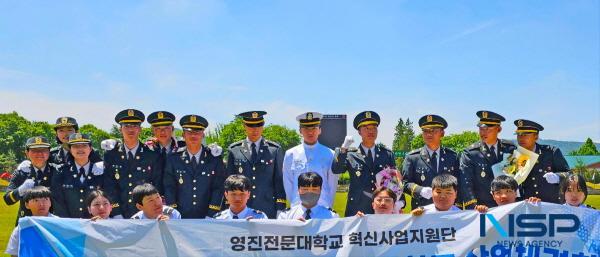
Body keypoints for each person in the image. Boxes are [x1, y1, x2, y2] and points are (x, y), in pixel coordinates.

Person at [332, 111, 395, 216]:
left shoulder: (387, 154)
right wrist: (343, 150)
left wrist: (399, 203)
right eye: (366, 128)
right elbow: (336, 169)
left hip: (381, 208)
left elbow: (394, 181)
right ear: (359, 132)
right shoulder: (350, 154)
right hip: (357, 208)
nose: (371, 131)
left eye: (374, 127)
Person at [103, 109, 163, 218]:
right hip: (119, 214)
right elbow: (109, 186)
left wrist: (151, 211)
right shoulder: (111, 155)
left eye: (135, 126)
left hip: (146, 215)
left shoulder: (152, 155)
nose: (131, 129)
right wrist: (116, 212)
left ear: (140, 129)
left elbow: (157, 185)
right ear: (120, 129)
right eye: (126, 126)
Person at [163, 114, 225, 218]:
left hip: (208, 216)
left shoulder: (214, 158)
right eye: (189, 132)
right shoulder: (174, 159)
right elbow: (170, 187)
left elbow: (218, 187)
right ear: (183, 135)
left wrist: (211, 213)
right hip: (180, 216)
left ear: (203, 135)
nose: (193, 136)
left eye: (197, 132)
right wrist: (174, 213)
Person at [226, 111, 286, 218]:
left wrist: (280, 208)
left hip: (268, 207)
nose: (255, 129)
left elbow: (279, 181)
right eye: (251, 125)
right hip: (241, 209)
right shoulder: (234, 150)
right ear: (244, 126)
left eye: (259, 125)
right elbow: (229, 182)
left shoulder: (274, 150)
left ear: (263, 126)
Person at [459, 111, 516, 209]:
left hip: (507, 206)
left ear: (499, 129)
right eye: (481, 128)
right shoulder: (471, 153)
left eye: (487, 129)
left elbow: (517, 178)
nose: (483, 132)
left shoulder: (510, 149)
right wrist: (474, 206)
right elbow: (466, 183)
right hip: (483, 209)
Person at [403, 114, 459, 209]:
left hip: (447, 209)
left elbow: (459, 183)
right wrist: (420, 190)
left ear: (442, 133)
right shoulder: (412, 157)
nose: (429, 134)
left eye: (433, 131)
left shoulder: (452, 156)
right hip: (421, 209)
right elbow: (405, 183)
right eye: (425, 131)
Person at [283, 112, 337, 208]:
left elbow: (332, 184)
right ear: (300, 131)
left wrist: (328, 205)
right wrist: (295, 205)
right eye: (306, 128)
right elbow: (288, 183)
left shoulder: (330, 154)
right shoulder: (290, 154)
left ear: (320, 130)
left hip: (322, 206)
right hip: (298, 207)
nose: (310, 132)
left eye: (314, 128)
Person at [4, 136, 59, 225]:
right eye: (35, 150)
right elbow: (8, 200)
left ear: (49, 152)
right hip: (27, 222)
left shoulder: (57, 171)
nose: (40, 153)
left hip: (51, 223)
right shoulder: (21, 173)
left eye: (43, 150)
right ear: (27, 153)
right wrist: (20, 190)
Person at [514, 119, 569, 203]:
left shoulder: (551, 152)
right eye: (518, 135)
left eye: (525, 135)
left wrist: (557, 177)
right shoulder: (516, 156)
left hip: (550, 205)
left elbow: (569, 174)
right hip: (526, 206)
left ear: (536, 136)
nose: (521, 138)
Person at [17, 117, 102, 170]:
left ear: (76, 132)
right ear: (56, 134)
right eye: (61, 130)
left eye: (70, 130)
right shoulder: (51, 154)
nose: (66, 134)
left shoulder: (92, 152)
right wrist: (30, 165)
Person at [52, 133, 105, 218]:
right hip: (69, 224)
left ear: (90, 149)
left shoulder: (100, 171)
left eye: (84, 146)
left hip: (95, 223)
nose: (80, 149)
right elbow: (58, 201)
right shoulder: (61, 171)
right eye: (76, 146)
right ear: (70, 149)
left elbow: (107, 198)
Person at [5, 186, 57, 257]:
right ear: (27, 205)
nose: (41, 204)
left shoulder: (59, 224)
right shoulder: (21, 229)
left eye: (45, 199)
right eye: (36, 200)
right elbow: (15, 254)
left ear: (50, 203)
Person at [474, 175, 541, 213]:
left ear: (516, 193)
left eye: (508, 191)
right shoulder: (490, 216)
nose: (504, 196)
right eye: (498, 192)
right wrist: (480, 215)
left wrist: (536, 209)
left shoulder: (527, 210)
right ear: (493, 196)